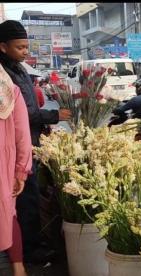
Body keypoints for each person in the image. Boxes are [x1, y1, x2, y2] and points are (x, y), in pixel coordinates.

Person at [0, 20, 70, 264]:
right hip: (17, 147)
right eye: (20, 47)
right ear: (2, 47)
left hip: (29, 141)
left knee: (30, 195)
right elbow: (23, 114)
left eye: (26, 46)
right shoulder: (5, 75)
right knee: (25, 199)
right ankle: (28, 252)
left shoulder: (18, 69)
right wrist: (54, 116)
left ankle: (31, 245)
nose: (25, 51)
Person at [0, 63, 32, 276]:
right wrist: (20, 171)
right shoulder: (8, 90)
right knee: (7, 215)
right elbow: (22, 135)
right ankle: (18, 268)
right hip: (3, 168)